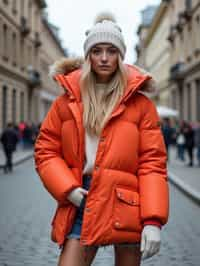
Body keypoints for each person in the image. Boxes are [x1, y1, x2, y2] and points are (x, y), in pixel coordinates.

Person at [34, 12, 169, 266]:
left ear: (121, 55)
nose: (104, 58)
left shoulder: (140, 104)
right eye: (97, 51)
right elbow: (45, 150)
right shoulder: (68, 100)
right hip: (83, 196)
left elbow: (152, 163)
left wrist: (152, 220)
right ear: (88, 55)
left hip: (128, 200)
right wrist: (68, 188)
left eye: (111, 51)